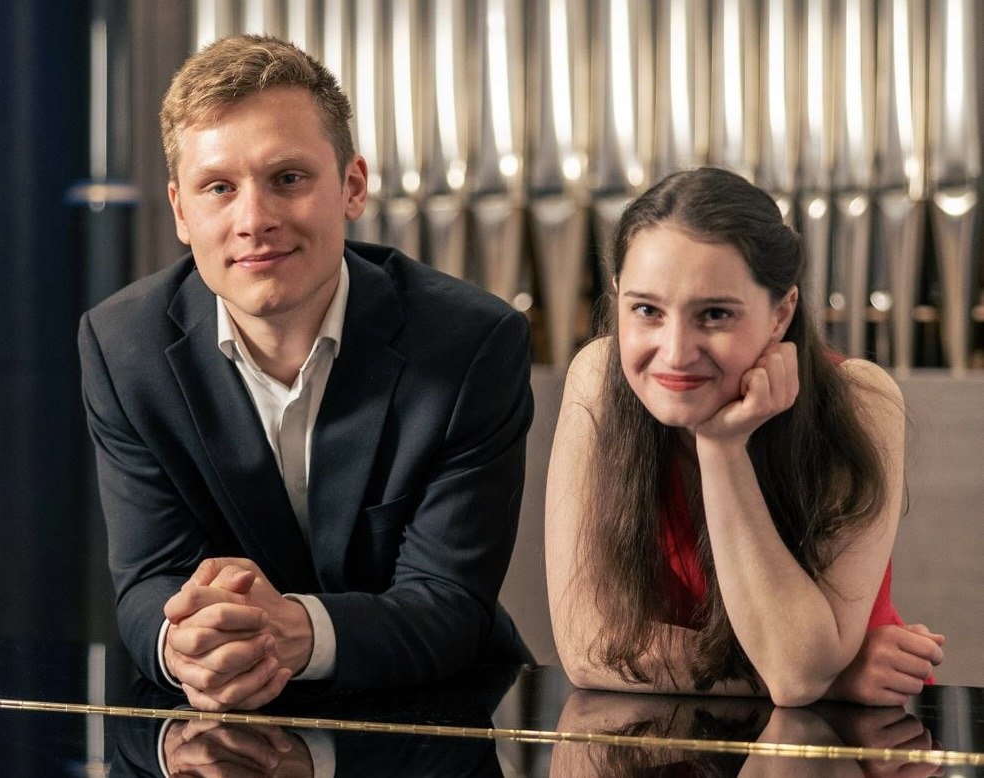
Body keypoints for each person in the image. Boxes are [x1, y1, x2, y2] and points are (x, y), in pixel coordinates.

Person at [79, 34, 533, 713]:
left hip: (437, 719)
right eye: (219, 188)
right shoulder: (123, 346)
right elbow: (148, 582)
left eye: (287, 179)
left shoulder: (471, 344)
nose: (254, 220)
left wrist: (294, 631)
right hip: (222, 723)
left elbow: (451, 604)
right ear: (180, 211)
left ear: (352, 186)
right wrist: (184, 647)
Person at [545, 167, 944, 707]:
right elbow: (592, 650)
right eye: (647, 310)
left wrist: (723, 447)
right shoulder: (597, 376)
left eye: (714, 314)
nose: (676, 351)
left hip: (845, 741)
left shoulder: (862, 400)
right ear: (617, 298)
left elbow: (797, 675)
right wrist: (835, 678)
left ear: (781, 313)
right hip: (704, 734)